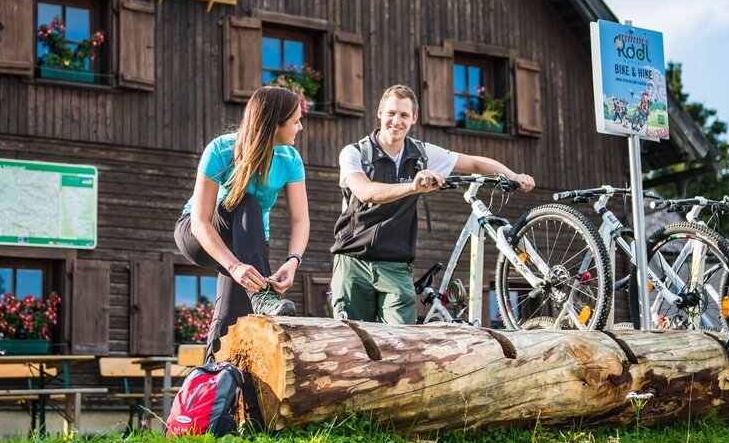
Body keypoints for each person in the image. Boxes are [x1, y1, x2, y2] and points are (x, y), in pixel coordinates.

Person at [330, 84, 535, 325]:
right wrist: (413, 187)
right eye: (391, 113)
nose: (397, 121)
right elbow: (365, 192)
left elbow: (474, 164)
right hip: (353, 263)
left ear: (414, 118)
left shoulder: (421, 153)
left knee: (402, 342)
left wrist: (513, 175)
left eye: (404, 115)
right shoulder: (355, 153)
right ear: (380, 113)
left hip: (396, 266)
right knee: (352, 341)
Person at [175, 86, 309, 358]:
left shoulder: (290, 159)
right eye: (295, 121)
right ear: (274, 124)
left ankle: (214, 380)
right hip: (198, 233)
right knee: (246, 201)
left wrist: (293, 261)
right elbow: (200, 222)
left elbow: (300, 220)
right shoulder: (221, 150)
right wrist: (234, 267)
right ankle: (262, 296)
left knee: (230, 321)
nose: (300, 127)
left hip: (246, 245)